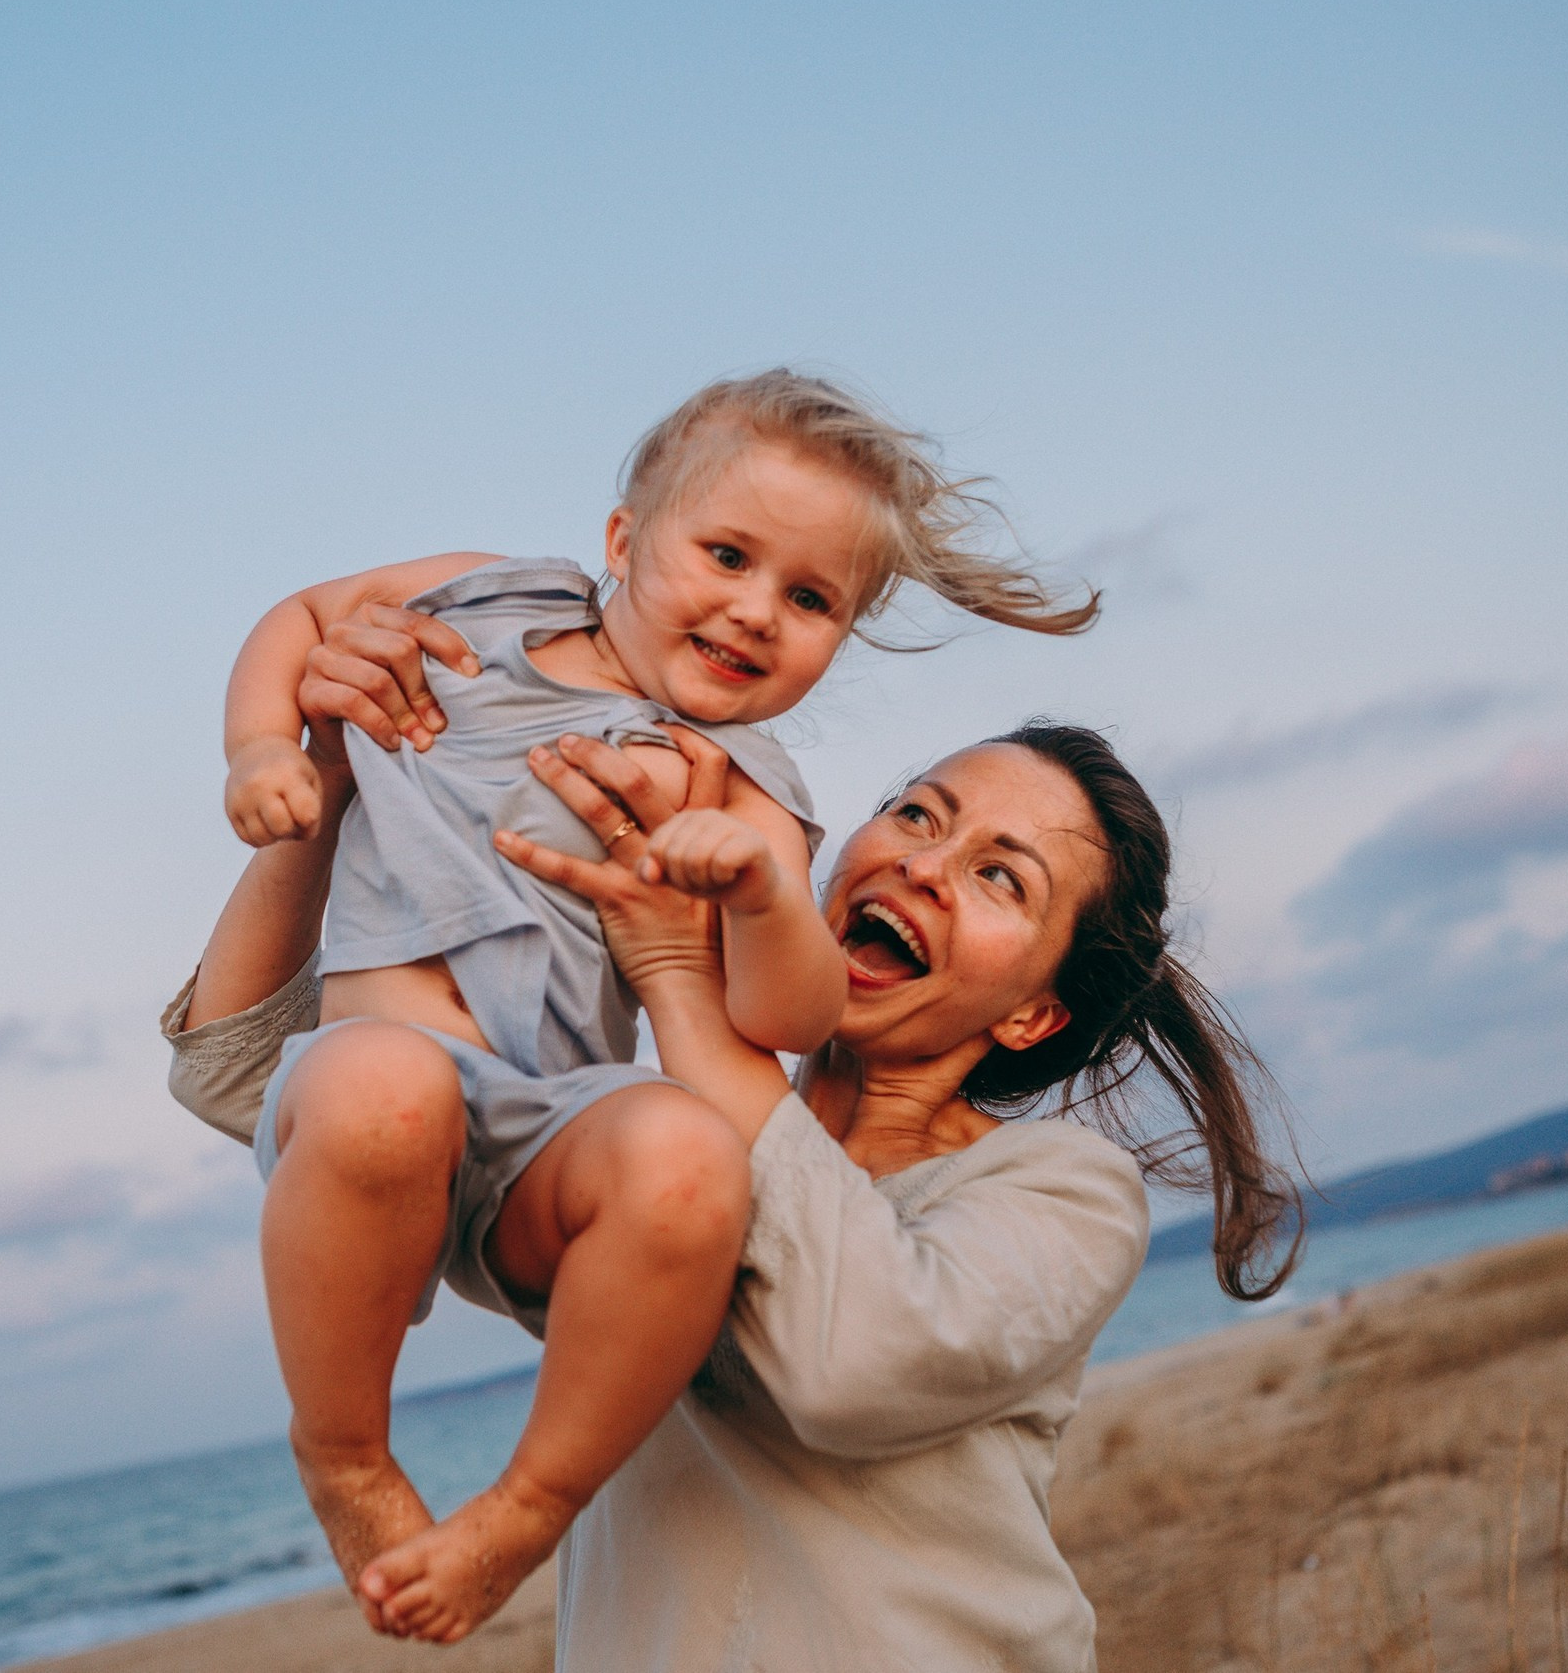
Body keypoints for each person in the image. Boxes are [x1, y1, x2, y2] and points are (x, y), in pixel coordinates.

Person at [164, 615, 1300, 1668]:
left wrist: (677, 980)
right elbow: (257, 1079)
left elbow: (849, 1363)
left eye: (1000, 876)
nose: (922, 864)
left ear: (1032, 1014)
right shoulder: (650, 1146)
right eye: (917, 812)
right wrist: (331, 773)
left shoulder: (1063, 1189)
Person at [209, 370, 1093, 1637]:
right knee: (385, 1086)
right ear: (624, 540)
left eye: (807, 598)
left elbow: (795, 1011)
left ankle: (527, 1503)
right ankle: (346, 1452)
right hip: (377, 1079)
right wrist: (259, 749)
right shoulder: (492, 597)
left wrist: (758, 900)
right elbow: (300, 615)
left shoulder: (746, 785)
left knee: (683, 1153)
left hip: (551, 1138)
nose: (752, 610)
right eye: (725, 554)